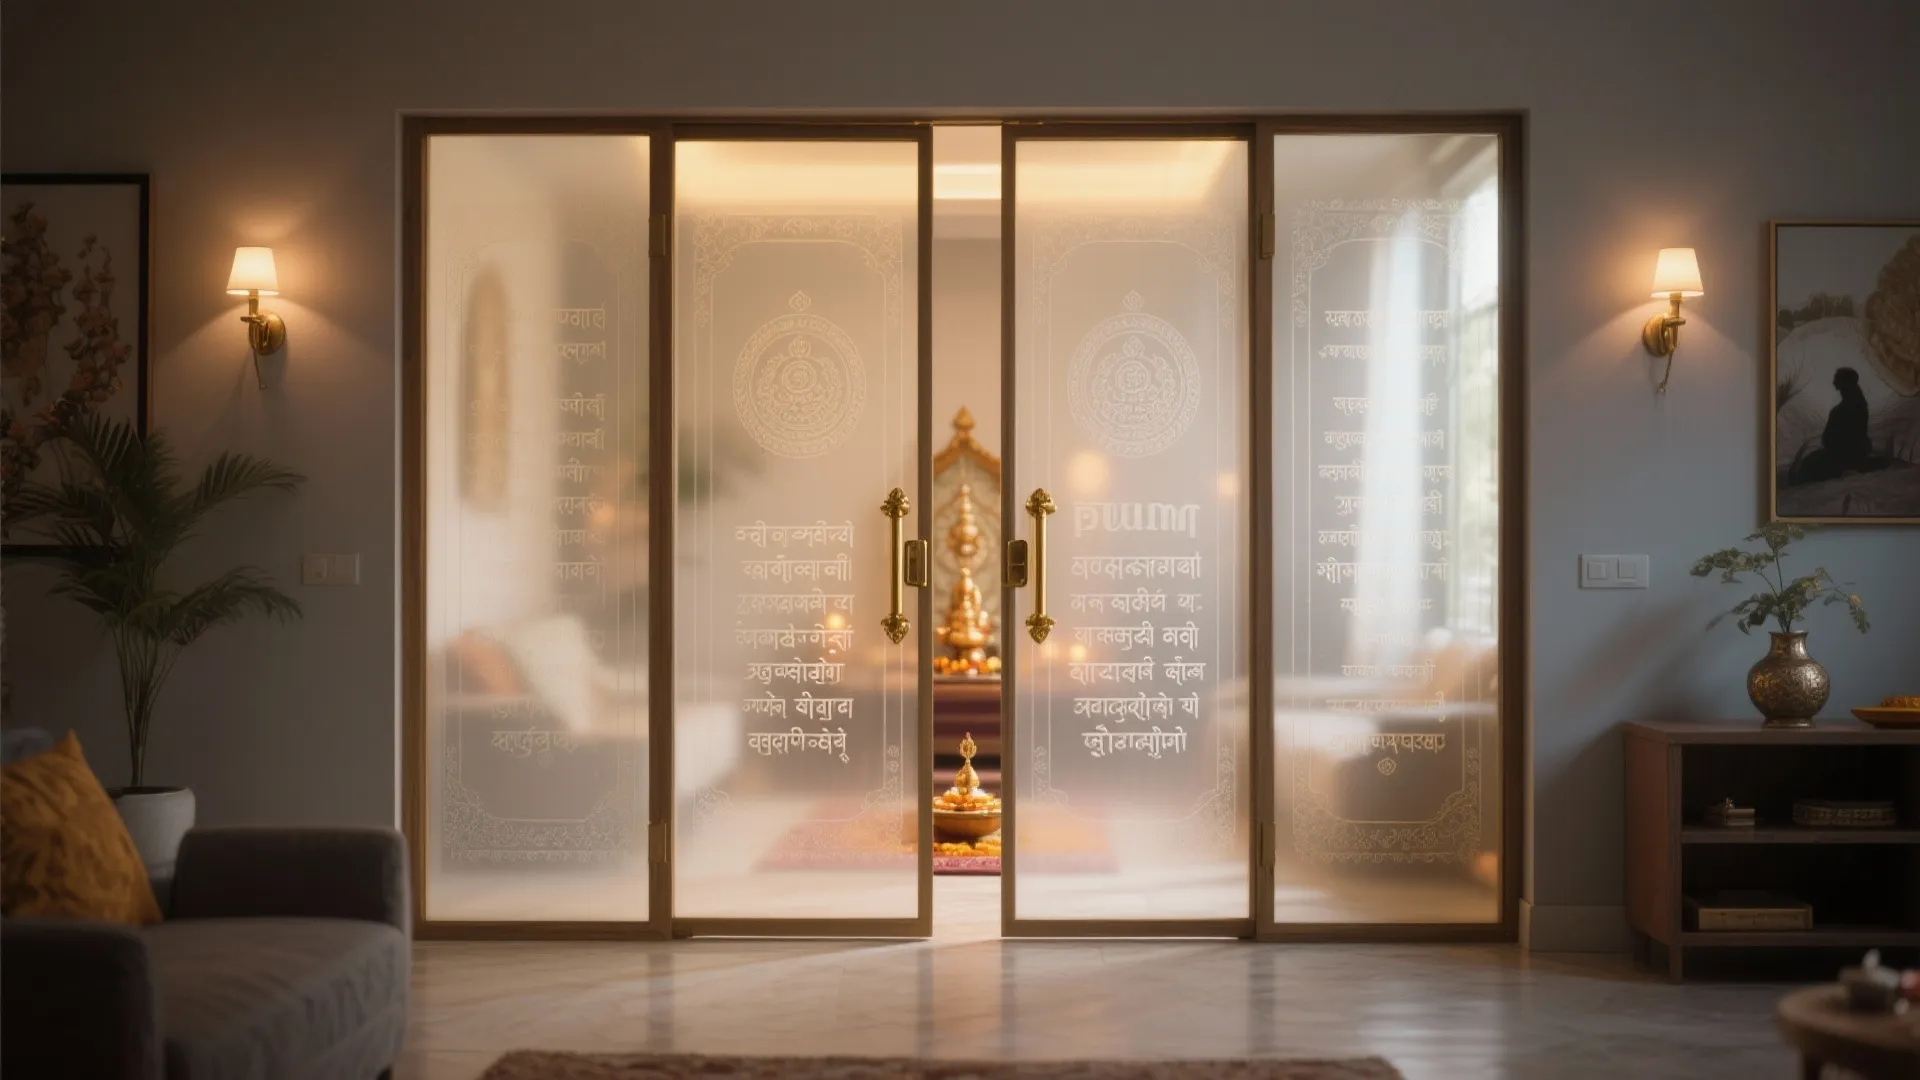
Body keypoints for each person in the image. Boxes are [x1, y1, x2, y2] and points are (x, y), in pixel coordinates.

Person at [1790, 367, 1875, 484]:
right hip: (1841, 451)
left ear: (1845, 382)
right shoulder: (1853, 402)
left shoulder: (1851, 405)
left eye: (1836, 378)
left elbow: (1852, 433)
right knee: (1809, 462)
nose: (1834, 382)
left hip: (1845, 454)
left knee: (1810, 465)